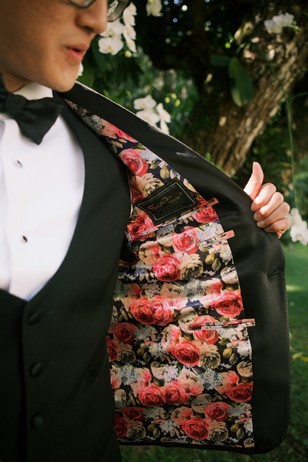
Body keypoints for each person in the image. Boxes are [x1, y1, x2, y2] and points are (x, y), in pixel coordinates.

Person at [0, 1, 291, 461]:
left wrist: (252, 223)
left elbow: (182, 272)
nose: (96, 21)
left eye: (108, 3)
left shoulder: (119, 161)